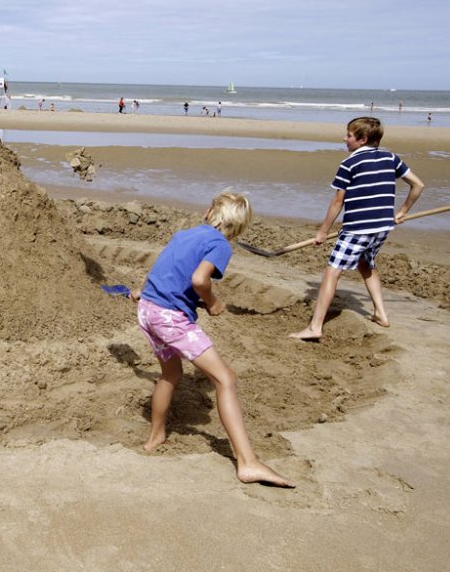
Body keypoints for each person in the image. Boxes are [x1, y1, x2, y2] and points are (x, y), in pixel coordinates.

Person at [131, 191, 294, 487]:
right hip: (169, 318)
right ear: (239, 227)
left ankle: (155, 438)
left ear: (209, 212)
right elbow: (198, 280)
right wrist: (213, 302)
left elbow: (160, 266)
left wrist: (142, 290)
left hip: (148, 310)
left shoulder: (185, 234)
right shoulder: (220, 244)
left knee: (171, 374)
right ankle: (248, 462)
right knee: (225, 379)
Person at [290, 117, 424, 340]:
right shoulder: (391, 158)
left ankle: (315, 327)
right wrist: (402, 212)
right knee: (365, 264)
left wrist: (323, 232)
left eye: (349, 135)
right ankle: (381, 314)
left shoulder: (349, 163)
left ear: (362, 139)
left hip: (357, 228)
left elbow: (337, 202)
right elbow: (418, 185)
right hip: (382, 227)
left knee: (332, 272)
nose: (345, 139)